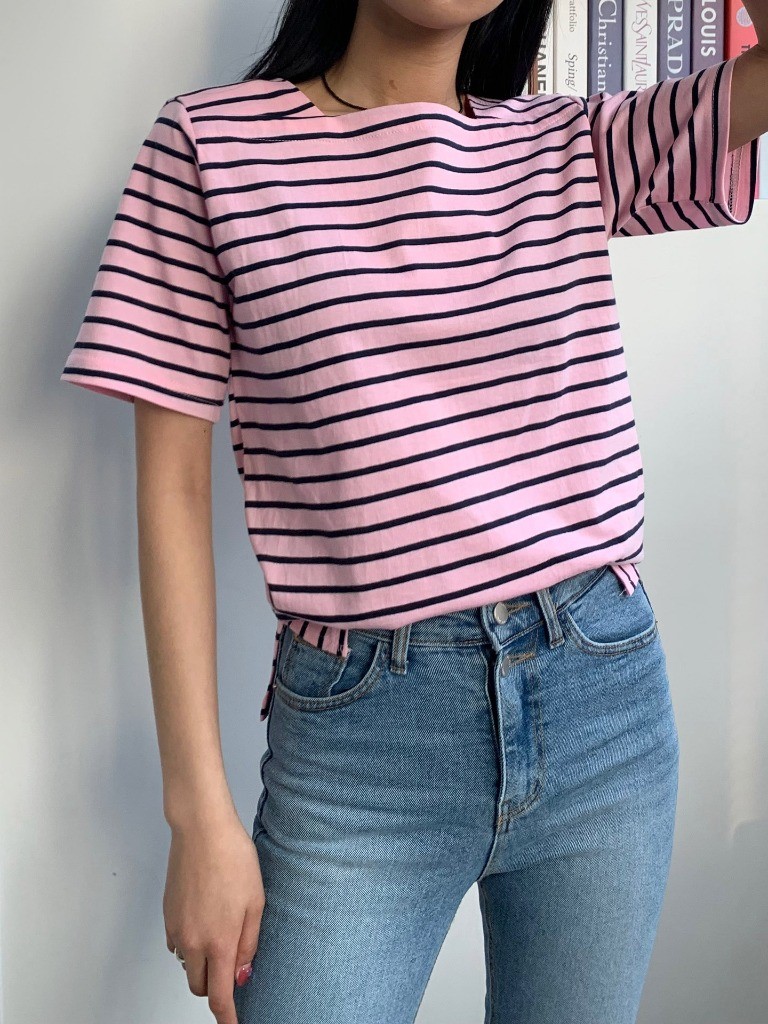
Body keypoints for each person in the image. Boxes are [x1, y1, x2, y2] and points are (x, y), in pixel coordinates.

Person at [59, 0, 767, 1021]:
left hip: (603, 704)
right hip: (360, 747)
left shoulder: (571, 142)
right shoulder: (210, 148)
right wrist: (197, 813)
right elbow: (170, 484)